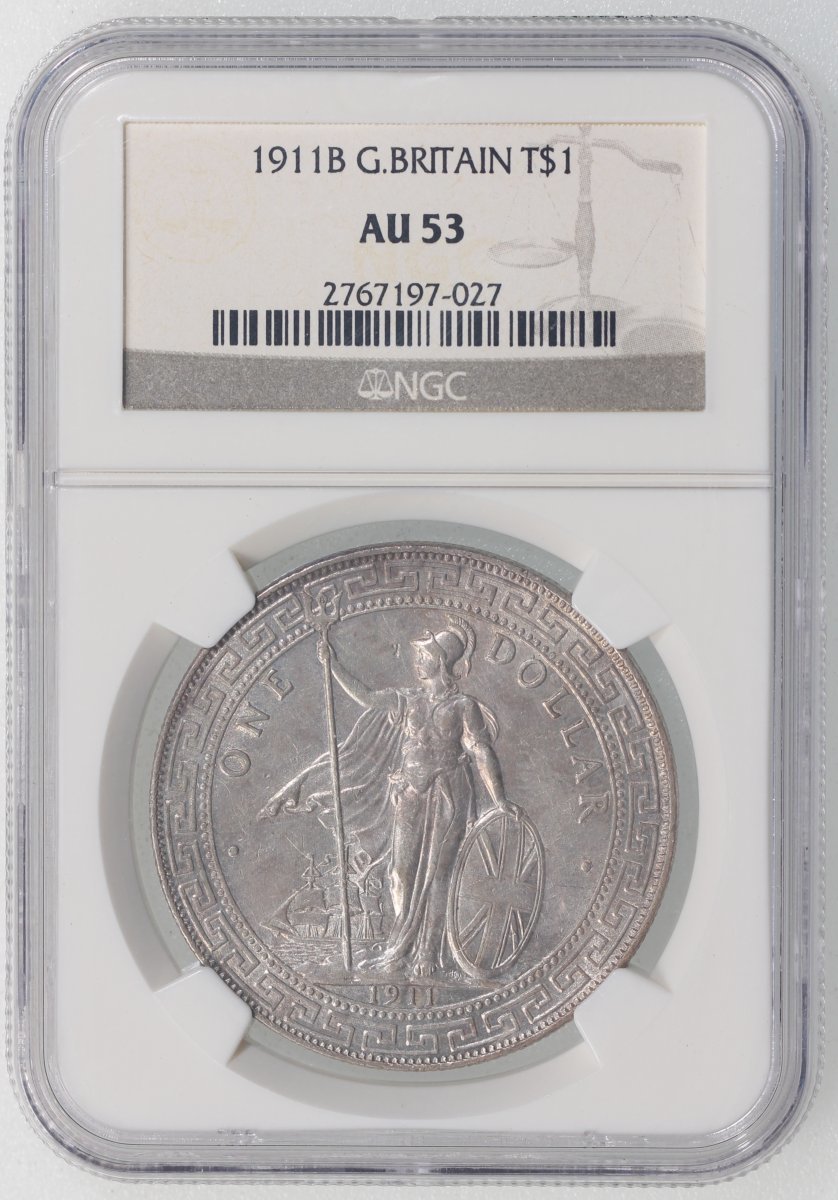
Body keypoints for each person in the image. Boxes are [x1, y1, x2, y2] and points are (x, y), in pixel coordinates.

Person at [260, 617, 510, 979]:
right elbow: (366, 697)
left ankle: (426, 954)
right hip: (409, 793)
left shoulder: (462, 706)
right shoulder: (407, 700)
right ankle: (398, 948)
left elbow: (481, 750)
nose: (417, 661)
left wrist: (499, 799)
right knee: (399, 873)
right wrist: (333, 665)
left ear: (441, 660)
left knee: (437, 875)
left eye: (424, 655)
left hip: (449, 794)